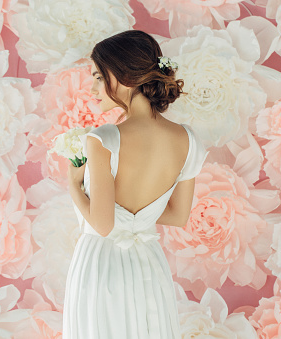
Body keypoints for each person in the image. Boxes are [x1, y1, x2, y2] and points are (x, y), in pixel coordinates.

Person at [62, 30, 207, 338]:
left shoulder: (104, 138)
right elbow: (178, 215)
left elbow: (103, 225)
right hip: (149, 267)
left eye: (99, 77)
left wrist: (74, 184)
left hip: (101, 266)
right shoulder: (188, 140)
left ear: (124, 75)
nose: (93, 87)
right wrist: (138, 219)